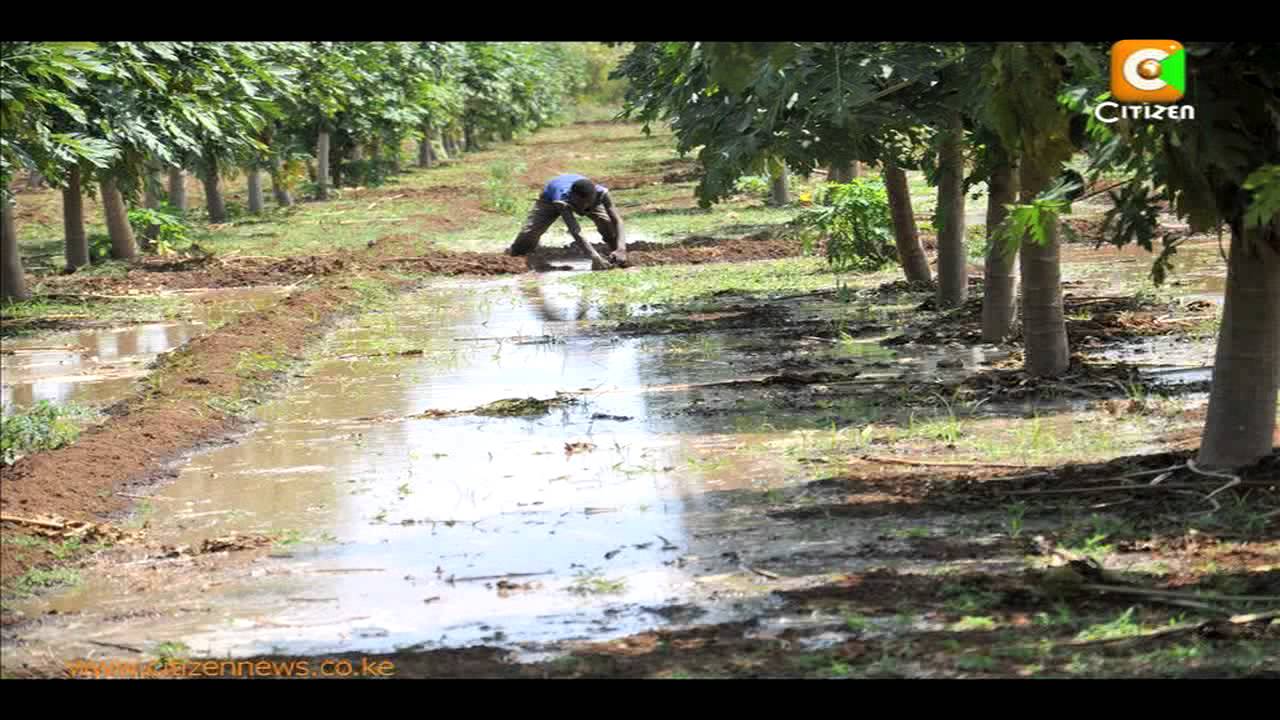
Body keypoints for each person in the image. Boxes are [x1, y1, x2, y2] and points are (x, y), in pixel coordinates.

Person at [506, 174, 627, 270]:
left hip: (586, 197)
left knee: (606, 222)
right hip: (549, 200)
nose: (582, 208)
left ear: (594, 197)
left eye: (587, 203)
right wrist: (594, 257)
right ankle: (518, 255)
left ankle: (615, 252)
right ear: (572, 196)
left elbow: (617, 220)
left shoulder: (601, 193)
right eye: (580, 203)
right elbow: (575, 230)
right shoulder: (562, 199)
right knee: (529, 233)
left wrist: (621, 248)